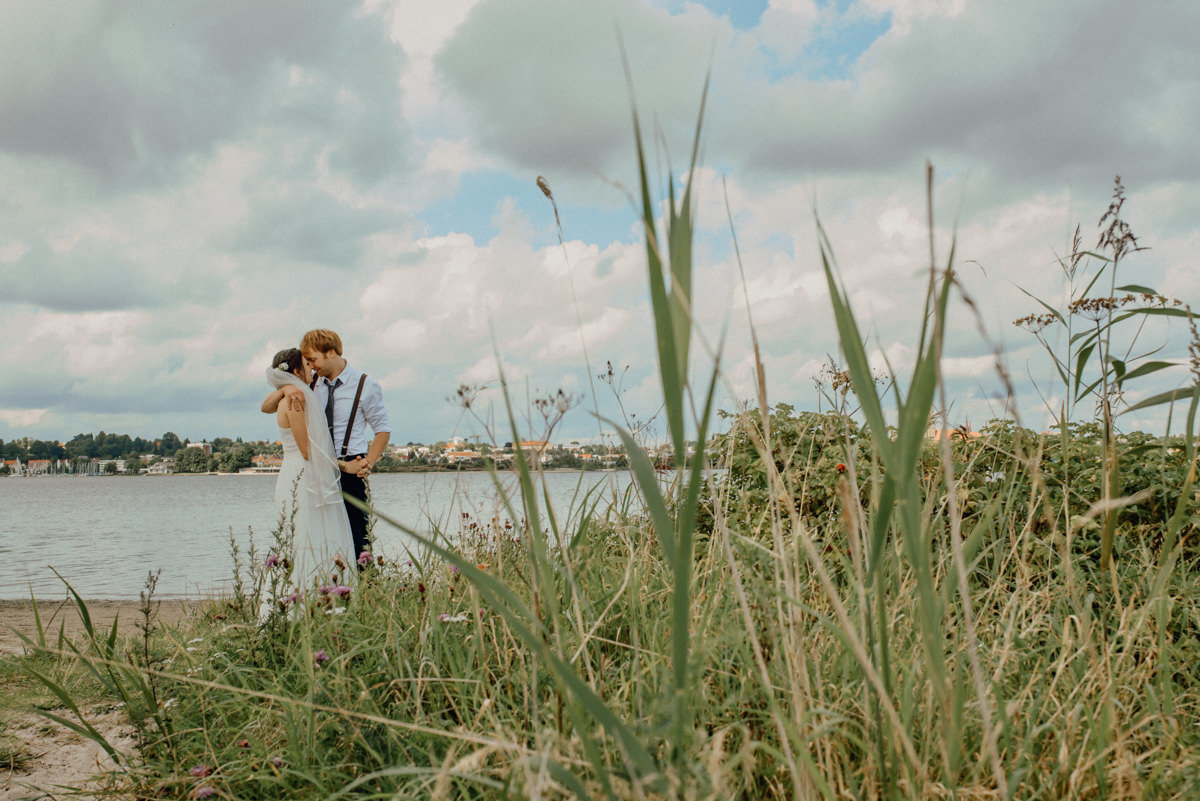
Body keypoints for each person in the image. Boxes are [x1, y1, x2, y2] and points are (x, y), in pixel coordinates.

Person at [262, 329, 391, 563]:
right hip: (315, 468)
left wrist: (367, 463)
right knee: (323, 534)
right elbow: (268, 407)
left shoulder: (366, 384)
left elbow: (382, 429)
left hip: (352, 466)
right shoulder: (308, 384)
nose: (311, 366)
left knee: (357, 537)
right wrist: (284, 387)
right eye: (307, 361)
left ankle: (365, 589)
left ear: (331, 353)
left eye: (313, 359)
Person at [265, 347, 355, 590]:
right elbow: (307, 449)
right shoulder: (295, 400)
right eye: (306, 365)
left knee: (309, 532)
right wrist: (344, 466)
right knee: (304, 533)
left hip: (297, 469)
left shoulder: (295, 394)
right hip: (301, 473)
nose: (311, 369)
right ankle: (306, 593)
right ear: (295, 371)